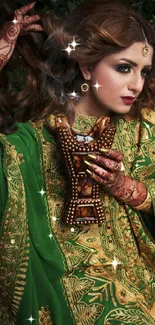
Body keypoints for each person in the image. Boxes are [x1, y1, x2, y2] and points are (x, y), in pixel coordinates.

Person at [0, 0, 155, 324]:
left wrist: (125, 187)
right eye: (124, 68)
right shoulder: (33, 138)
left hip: (137, 271)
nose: (136, 84)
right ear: (87, 67)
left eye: (144, 71)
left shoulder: (144, 125)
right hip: (58, 274)